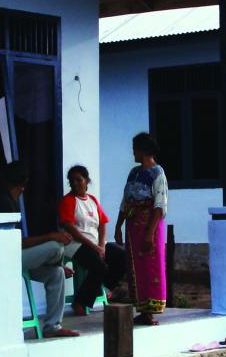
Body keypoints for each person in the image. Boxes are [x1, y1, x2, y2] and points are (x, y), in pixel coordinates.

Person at [0, 161, 78, 338]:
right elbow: (16, 243)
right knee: (55, 245)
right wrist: (50, 236)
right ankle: (56, 262)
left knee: (56, 273)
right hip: (7, 257)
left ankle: (52, 326)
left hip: (19, 257)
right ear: (21, 184)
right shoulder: (3, 202)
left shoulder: (12, 201)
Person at [58, 165, 127, 317]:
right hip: (75, 244)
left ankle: (106, 288)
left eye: (79, 179)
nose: (75, 183)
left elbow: (102, 224)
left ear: (87, 181)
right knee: (99, 266)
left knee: (122, 256)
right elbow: (70, 228)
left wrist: (102, 245)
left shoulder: (93, 200)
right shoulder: (68, 201)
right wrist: (95, 247)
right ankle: (80, 302)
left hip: (95, 244)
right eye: (72, 181)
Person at [115, 132, 168, 326]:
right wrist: (119, 225)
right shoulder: (134, 173)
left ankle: (151, 310)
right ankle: (142, 309)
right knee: (135, 267)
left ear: (143, 150)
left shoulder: (157, 173)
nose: (133, 154)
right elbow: (126, 200)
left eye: (135, 150)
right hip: (132, 226)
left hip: (149, 225)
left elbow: (159, 205)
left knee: (150, 266)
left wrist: (149, 234)